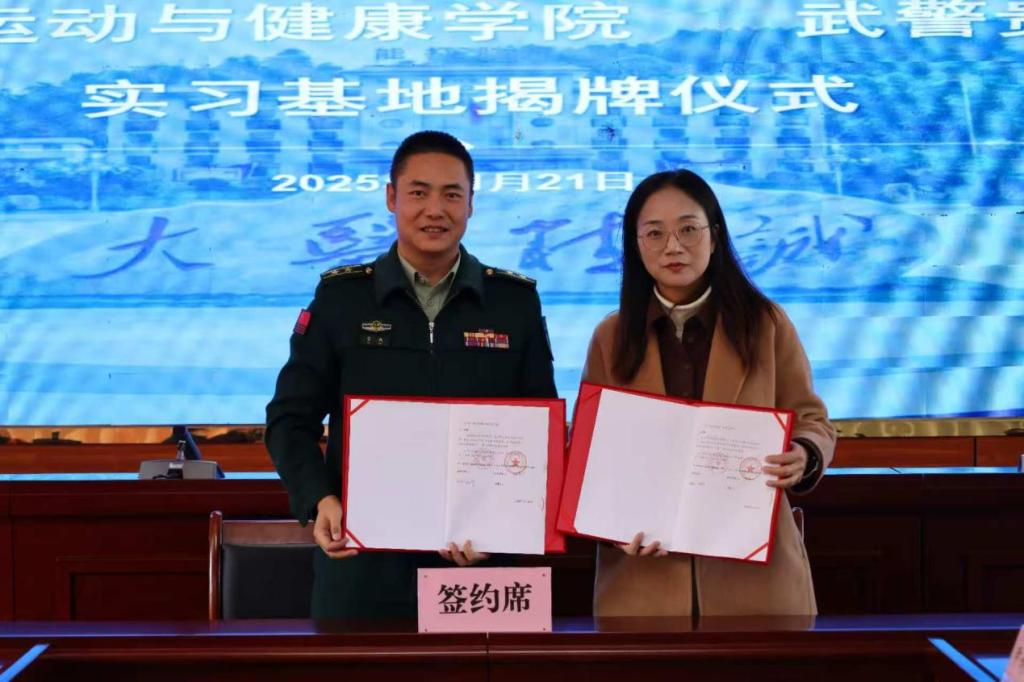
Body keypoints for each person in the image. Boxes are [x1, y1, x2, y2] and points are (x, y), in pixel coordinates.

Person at [265, 130, 557, 619]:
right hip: (363, 567)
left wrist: (505, 525)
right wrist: (319, 499)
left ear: (471, 204)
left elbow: (538, 431)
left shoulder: (513, 303)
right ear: (391, 197)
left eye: (452, 195)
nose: (434, 210)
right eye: (418, 193)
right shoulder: (342, 300)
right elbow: (289, 419)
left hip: (480, 566)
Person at [581, 169, 836, 616]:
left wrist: (803, 453)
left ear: (714, 237)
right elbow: (590, 452)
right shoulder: (611, 336)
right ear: (635, 245)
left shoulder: (766, 325)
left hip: (754, 580)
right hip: (644, 583)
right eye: (654, 233)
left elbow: (813, 420)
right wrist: (609, 522)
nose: (673, 246)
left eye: (688, 229)